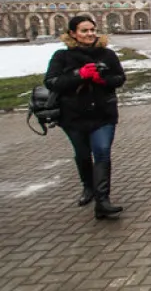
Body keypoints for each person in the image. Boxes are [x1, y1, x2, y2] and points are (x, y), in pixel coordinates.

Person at [45, 16, 126, 219]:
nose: (90, 34)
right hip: (73, 116)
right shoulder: (62, 56)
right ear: (73, 33)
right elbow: (52, 81)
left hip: (103, 114)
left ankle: (102, 201)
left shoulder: (107, 54)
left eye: (92, 29)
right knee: (82, 154)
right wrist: (78, 75)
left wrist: (102, 79)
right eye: (84, 30)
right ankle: (88, 186)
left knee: (102, 152)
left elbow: (119, 78)